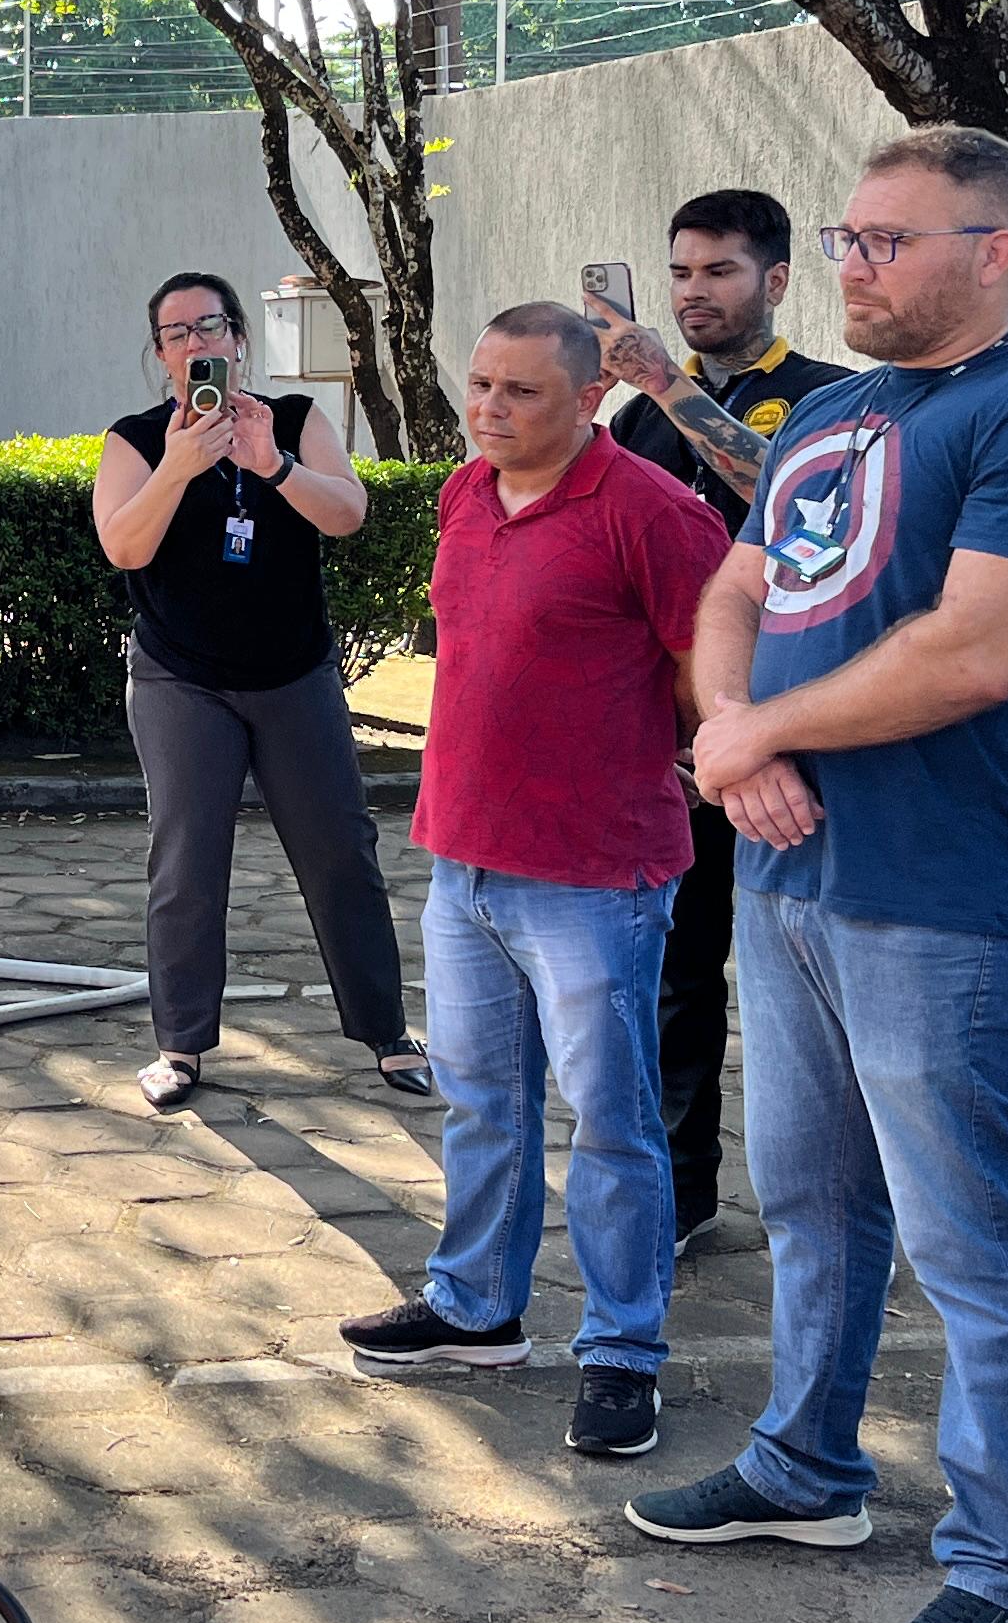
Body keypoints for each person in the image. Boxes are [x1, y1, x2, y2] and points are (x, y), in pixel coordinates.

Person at [620, 125, 1008, 1623]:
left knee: (971, 1239)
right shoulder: (839, 414)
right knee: (813, 1201)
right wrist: (736, 731)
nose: (852, 266)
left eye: (886, 243)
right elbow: (736, 593)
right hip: (793, 874)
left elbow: (975, 652)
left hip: (945, 892)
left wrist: (762, 738)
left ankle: (1007, 1575)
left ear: (992, 252)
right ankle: (806, 1463)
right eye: (847, 239)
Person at [341, 305, 730, 1462]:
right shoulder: (466, 496)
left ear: (587, 400)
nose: (489, 412)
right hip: (462, 857)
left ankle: (622, 1350)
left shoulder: (656, 515)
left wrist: (681, 767)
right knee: (481, 1101)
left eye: (519, 394)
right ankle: (476, 1310)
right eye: (479, 387)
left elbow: (705, 673)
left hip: (595, 875)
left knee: (611, 1126)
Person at [587, 191, 853, 1252]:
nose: (696, 293)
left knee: (818, 980)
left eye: (721, 273)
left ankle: (844, 1204)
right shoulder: (640, 413)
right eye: (682, 273)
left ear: (776, 280)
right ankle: (679, 1196)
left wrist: (661, 382)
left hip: (797, 736)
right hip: (674, 747)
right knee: (676, 971)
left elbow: (788, 509)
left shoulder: (837, 403)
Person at [92, 270, 426, 1115]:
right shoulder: (134, 439)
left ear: (240, 337)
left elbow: (347, 513)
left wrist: (271, 467)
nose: (197, 344)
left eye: (210, 326)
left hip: (293, 674)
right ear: (160, 353)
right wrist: (175, 469)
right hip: (181, 681)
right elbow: (124, 549)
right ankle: (180, 1047)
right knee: (187, 863)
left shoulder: (296, 422)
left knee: (340, 851)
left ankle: (386, 1031)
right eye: (177, 333)